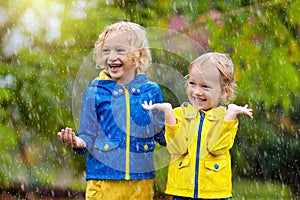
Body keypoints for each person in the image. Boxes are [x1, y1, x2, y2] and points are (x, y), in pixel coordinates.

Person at [57, 21, 166, 200]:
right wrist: (77, 141)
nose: (111, 57)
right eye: (106, 50)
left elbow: (162, 134)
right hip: (103, 181)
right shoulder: (95, 91)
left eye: (120, 50)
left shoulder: (151, 91)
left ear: (138, 54)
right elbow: (87, 136)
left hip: (141, 183)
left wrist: (181, 128)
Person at [142, 52, 253, 199]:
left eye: (205, 86)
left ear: (224, 92)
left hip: (214, 192)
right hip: (182, 190)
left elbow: (217, 147)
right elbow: (177, 148)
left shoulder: (225, 118)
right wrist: (169, 114)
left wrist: (231, 115)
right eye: (192, 83)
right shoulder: (180, 114)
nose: (196, 92)